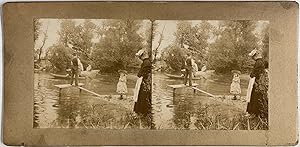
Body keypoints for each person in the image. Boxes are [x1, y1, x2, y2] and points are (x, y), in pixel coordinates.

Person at [133, 49, 154, 128]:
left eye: (140, 57)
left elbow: (141, 73)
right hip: (145, 82)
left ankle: (142, 113)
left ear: (143, 56)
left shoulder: (146, 63)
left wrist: (139, 75)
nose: (139, 58)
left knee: (142, 96)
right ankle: (142, 112)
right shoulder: (147, 62)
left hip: (144, 82)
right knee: (141, 96)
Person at [246, 49, 268, 119]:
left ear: (256, 56)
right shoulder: (261, 61)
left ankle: (254, 113)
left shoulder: (258, 62)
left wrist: (252, 74)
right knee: (258, 97)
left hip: (257, 82)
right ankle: (258, 113)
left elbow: (255, 73)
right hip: (260, 82)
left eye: (253, 56)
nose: (252, 58)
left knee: (255, 97)